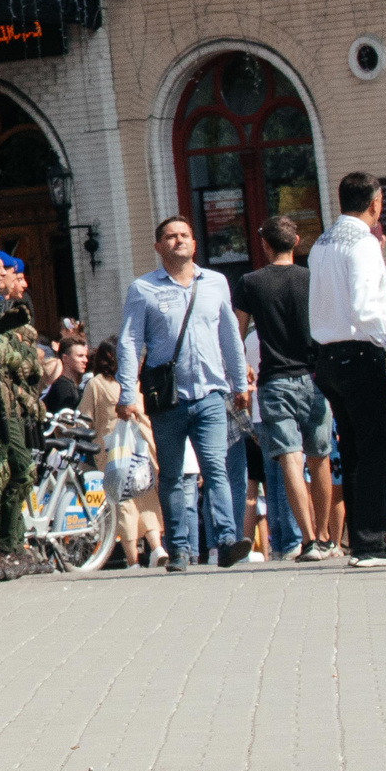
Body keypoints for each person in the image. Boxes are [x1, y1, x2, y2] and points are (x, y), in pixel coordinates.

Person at [115, 216, 249, 570]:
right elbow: (130, 342)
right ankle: (180, 550)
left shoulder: (216, 283)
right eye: (171, 237)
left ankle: (226, 541)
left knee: (215, 468)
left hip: (210, 395)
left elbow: (230, 337)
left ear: (194, 243)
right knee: (172, 475)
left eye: (185, 235)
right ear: (158, 247)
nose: (179, 241)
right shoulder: (143, 289)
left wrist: (240, 384)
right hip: (167, 399)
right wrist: (128, 391)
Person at [307, 172, 386, 566]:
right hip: (359, 353)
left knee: (352, 449)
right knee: (377, 450)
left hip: (328, 355)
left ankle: (360, 542)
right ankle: (369, 543)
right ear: (376, 203)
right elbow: (369, 306)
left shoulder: (322, 241)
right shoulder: (363, 243)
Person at [235, 217, 331, 562]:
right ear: (297, 242)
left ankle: (307, 541)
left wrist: (240, 370)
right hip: (315, 376)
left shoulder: (250, 283)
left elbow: (237, 331)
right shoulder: (312, 278)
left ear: (264, 245)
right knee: (319, 458)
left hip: (274, 379)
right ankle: (324, 535)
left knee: (291, 457)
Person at [80, 341, 163, 569]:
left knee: (123, 504)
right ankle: (156, 548)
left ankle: (132, 560)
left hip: (112, 451)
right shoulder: (133, 383)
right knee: (145, 496)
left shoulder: (96, 384)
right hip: (139, 448)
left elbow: (84, 418)